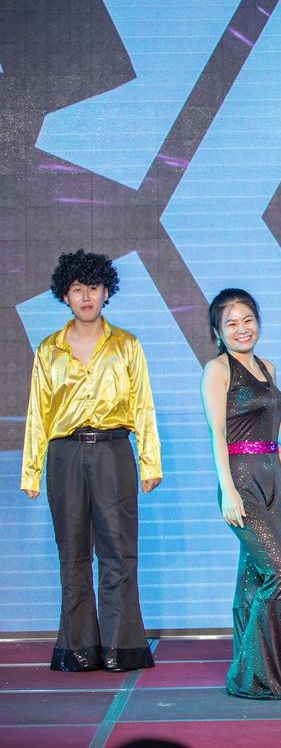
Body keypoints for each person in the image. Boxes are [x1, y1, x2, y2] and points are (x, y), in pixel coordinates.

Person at [21, 250, 161, 672]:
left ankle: (122, 647)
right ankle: (78, 648)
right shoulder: (49, 350)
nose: (86, 297)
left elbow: (143, 406)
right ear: (64, 295)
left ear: (106, 292)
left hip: (113, 451)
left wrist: (150, 463)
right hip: (65, 456)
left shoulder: (127, 345)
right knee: (73, 552)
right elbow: (38, 413)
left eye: (94, 288)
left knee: (118, 550)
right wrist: (31, 471)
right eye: (77, 289)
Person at [199, 288, 281, 699]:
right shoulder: (217, 370)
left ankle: (253, 677)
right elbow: (217, 435)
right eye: (231, 323)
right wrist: (229, 489)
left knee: (252, 579)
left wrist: (275, 460)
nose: (242, 329)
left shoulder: (267, 368)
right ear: (217, 332)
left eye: (248, 320)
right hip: (240, 484)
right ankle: (254, 674)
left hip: (271, 483)